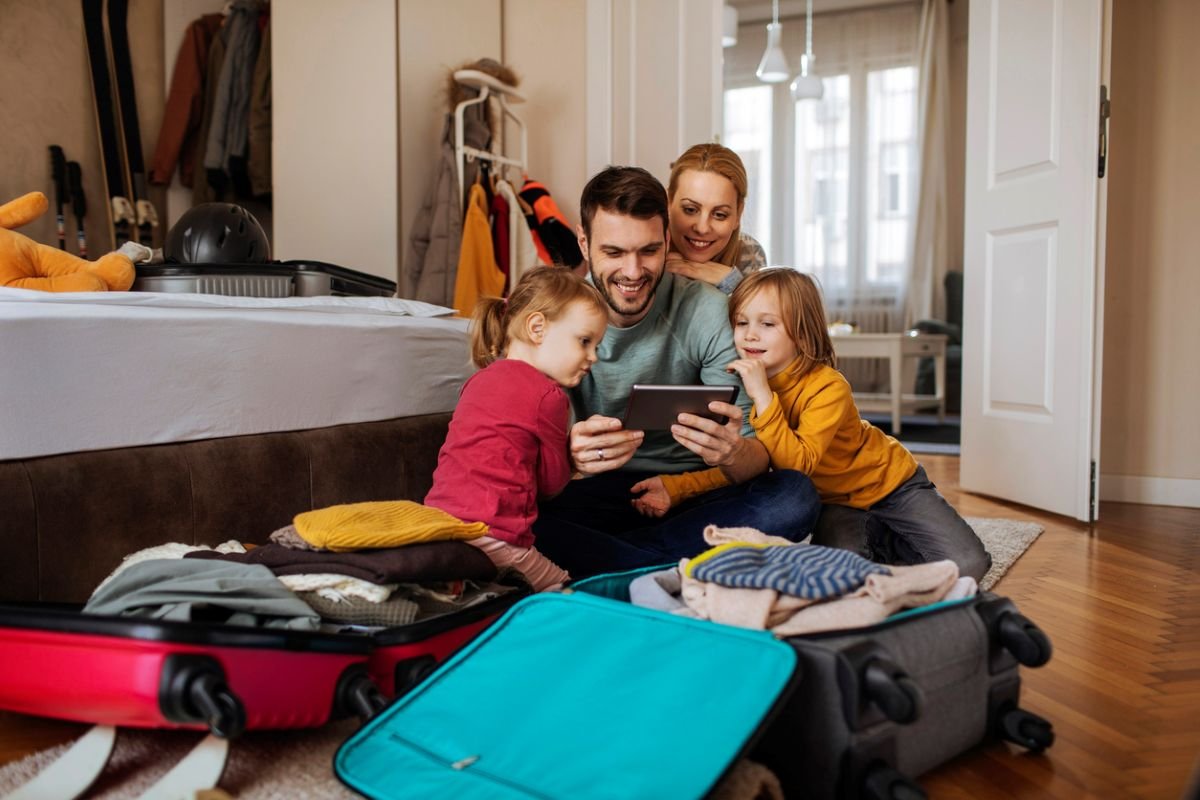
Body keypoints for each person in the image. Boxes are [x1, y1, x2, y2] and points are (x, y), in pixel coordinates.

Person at [530, 166, 820, 579]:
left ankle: (615, 567)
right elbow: (521, 453)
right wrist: (568, 459)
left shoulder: (707, 312)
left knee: (794, 497)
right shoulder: (552, 317)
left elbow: (757, 457)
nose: (633, 273)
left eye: (648, 251)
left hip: (692, 493)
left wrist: (733, 453)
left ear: (667, 240)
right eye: (613, 253)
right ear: (583, 242)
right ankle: (677, 565)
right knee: (517, 513)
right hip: (591, 492)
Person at [630, 268, 991, 582]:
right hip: (834, 503)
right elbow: (747, 465)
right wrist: (676, 487)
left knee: (969, 565)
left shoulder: (827, 386)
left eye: (767, 324)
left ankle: (891, 538)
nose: (750, 335)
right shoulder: (748, 388)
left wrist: (764, 399)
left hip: (891, 485)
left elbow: (795, 466)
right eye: (742, 322)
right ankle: (880, 540)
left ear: (801, 335)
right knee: (840, 578)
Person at [424, 266, 609, 591]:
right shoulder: (548, 396)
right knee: (567, 589)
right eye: (585, 341)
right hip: (494, 534)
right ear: (537, 328)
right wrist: (574, 457)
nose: (593, 357)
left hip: (439, 523)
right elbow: (551, 485)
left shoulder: (478, 380)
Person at [664, 143, 767, 295]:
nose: (702, 228)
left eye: (719, 215)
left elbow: (761, 313)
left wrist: (733, 283)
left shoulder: (748, 252)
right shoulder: (643, 248)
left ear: (738, 213)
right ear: (668, 202)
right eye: (690, 210)